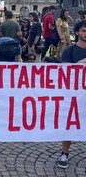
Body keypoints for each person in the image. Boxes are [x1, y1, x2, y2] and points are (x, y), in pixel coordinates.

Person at [57, 20, 86, 169]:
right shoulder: (69, 51)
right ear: (77, 33)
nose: (85, 34)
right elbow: (65, 73)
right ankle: (64, 153)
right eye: (83, 31)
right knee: (69, 125)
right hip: (74, 95)